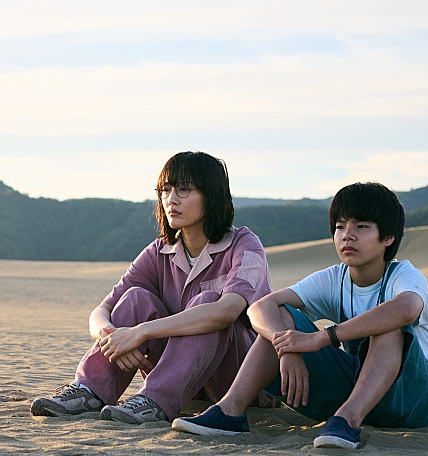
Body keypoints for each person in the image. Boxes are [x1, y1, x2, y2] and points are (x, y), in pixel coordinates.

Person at [172, 182, 428, 448]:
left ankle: (348, 420)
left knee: (388, 325)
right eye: (340, 227)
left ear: (388, 237)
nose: (347, 235)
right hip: (360, 387)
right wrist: (287, 348)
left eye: (361, 227)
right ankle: (229, 411)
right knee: (280, 315)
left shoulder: (404, 275)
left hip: (416, 396)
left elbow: (406, 309)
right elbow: (259, 307)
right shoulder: (334, 278)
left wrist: (322, 338)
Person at [30, 151, 272, 424]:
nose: (171, 199)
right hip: (185, 383)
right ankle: (90, 391)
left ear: (212, 195)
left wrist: (139, 333)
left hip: (236, 380)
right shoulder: (160, 251)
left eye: (184, 189)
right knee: (136, 298)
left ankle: (155, 400)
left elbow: (225, 312)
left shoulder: (245, 246)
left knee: (208, 302)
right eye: (165, 190)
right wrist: (115, 337)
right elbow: (100, 312)